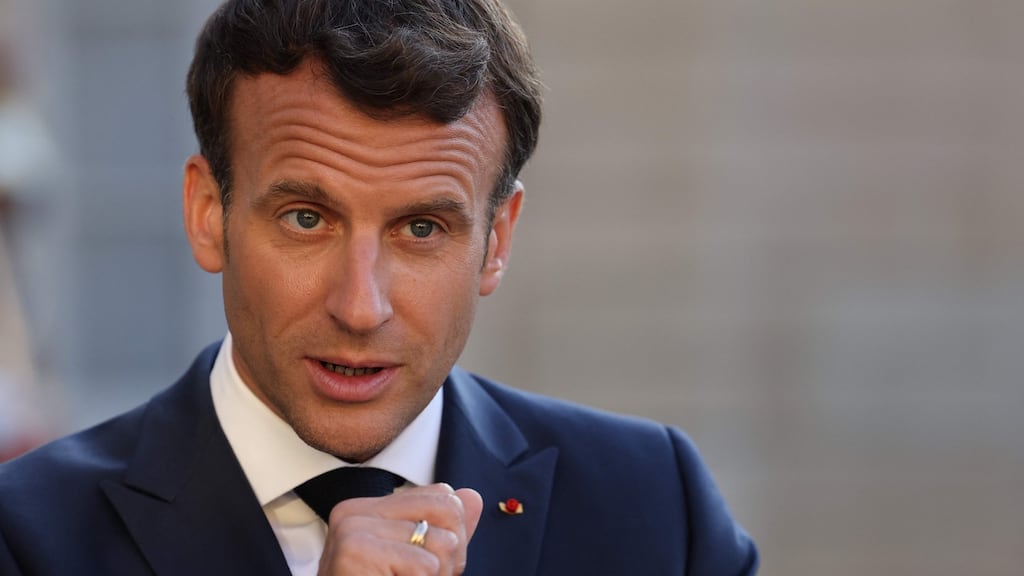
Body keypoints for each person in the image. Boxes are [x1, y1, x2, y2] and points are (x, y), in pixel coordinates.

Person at [0, 1, 758, 574]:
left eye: (422, 229)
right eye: (306, 218)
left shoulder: (656, 508)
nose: (361, 307)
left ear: (497, 241)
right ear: (208, 214)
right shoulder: (28, 534)